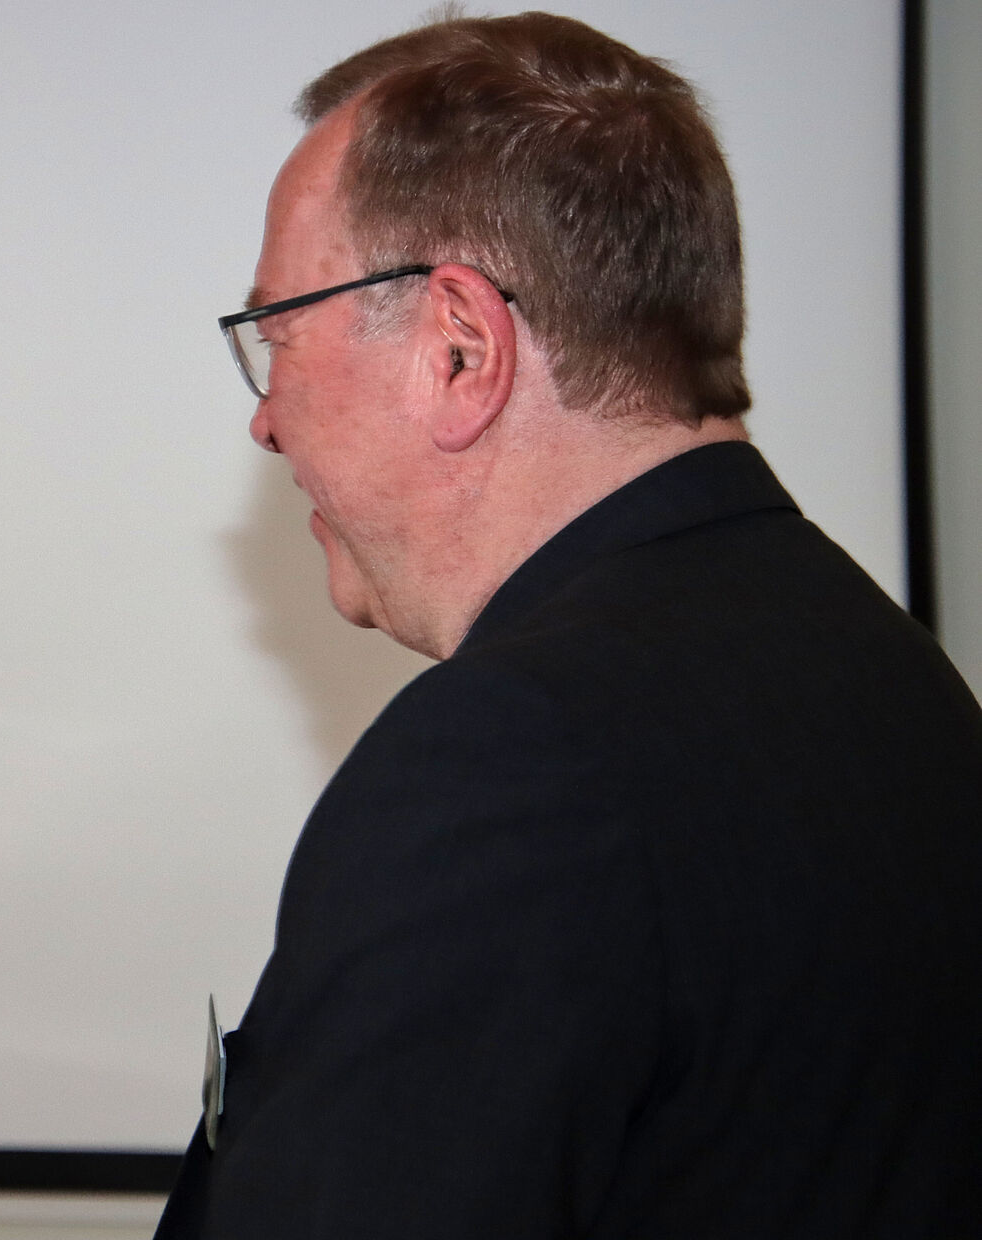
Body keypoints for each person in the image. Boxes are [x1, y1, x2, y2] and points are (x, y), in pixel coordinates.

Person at [157, 12, 982, 1239]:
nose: (267, 420)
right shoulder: (899, 683)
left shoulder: (510, 757)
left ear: (458, 345)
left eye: (278, 334)